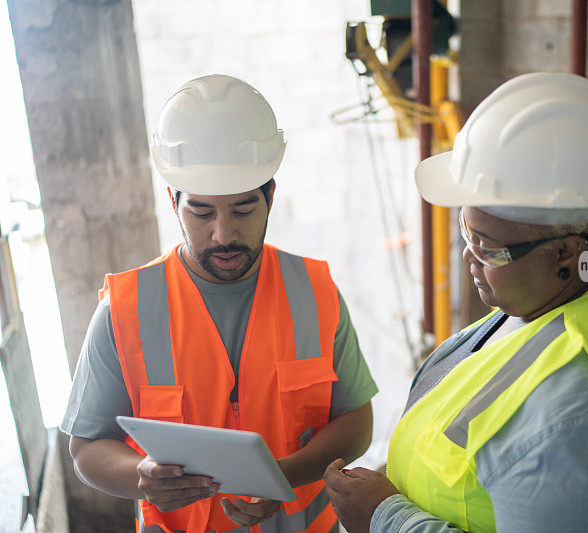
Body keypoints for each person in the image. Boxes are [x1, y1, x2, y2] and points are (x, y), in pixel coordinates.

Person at [323, 72, 588, 532]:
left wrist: (384, 518)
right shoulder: (546, 305)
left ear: (566, 252)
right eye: (466, 231)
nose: (468, 256)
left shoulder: (581, 419)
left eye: (489, 246)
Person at [60, 74, 378, 533]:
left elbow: (356, 420)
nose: (223, 234)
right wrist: (141, 479)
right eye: (202, 212)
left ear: (270, 197)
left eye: (243, 211)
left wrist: (282, 478)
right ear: (174, 201)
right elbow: (87, 448)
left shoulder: (314, 291)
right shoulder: (124, 309)